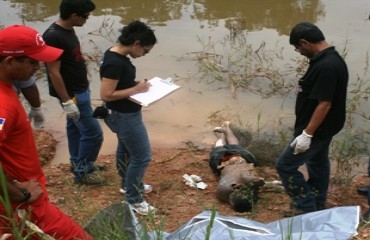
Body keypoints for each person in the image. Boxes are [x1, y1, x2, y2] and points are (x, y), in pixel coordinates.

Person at [0, 24, 93, 239]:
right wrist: (20, 193)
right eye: (32, 62)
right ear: (10, 62)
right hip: (24, 206)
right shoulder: (3, 105)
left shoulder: (7, 88)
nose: (38, 68)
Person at [276, 22, 349, 217]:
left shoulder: (326, 67)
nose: (298, 51)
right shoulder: (329, 60)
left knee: (285, 166)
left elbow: (325, 104)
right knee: (318, 163)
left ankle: (304, 206)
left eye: (298, 47)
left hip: (316, 129)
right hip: (324, 128)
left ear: (305, 42)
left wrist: (307, 134)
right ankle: (317, 200)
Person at [43, 0, 106, 185]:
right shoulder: (53, 37)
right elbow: (53, 71)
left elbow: (68, 58)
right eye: (85, 16)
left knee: (75, 129)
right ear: (74, 16)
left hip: (80, 88)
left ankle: (78, 162)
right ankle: (83, 172)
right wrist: (66, 101)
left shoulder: (66, 31)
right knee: (94, 134)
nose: (87, 19)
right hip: (72, 94)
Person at [99, 20, 157, 215]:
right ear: (136, 44)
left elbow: (118, 85)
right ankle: (134, 198)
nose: (144, 55)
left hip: (124, 112)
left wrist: (136, 86)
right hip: (122, 115)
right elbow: (106, 95)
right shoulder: (114, 62)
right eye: (145, 51)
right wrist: (136, 88)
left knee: (126, 150)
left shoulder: (114, 53)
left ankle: (127, 184)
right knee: (142, 156)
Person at [209, 121, 264, 212]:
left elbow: (245, 177)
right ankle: (225, 130)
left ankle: (225, 130)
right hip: (220, 165)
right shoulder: (221, 195)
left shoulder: (240, 182)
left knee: (232, 146)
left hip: (234, 160)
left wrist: (258, 181)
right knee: (223, 147)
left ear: (236, 187)